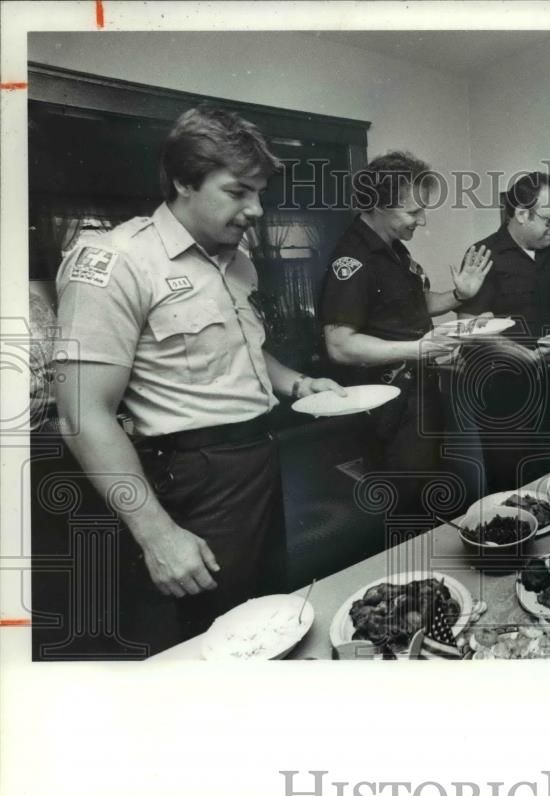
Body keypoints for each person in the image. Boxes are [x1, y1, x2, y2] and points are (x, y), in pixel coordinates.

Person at [54, 104, 346, 652]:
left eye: (259, 193)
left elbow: (244, 355)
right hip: (189, 478)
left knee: (268, 622)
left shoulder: (236, 262)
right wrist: (156, 532)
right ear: (184, 181)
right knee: (205, 643)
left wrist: (298, 385)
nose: (256, 210)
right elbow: (79, 414)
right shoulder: (114, 260)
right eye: (238, 192)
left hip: (259, 458)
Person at [320, 151, 493, 514]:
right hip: (390, 409)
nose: (423, 221)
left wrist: (459, 295)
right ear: (379, 205)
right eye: (413, 212)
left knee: (429, 492)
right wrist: (417, 350)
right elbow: (340, 345)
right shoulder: (353, 259)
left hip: (420, 394)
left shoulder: (395, 251)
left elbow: (412, 306)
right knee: (407, 505)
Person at [454, 172, 550, 492]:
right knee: (511, 491)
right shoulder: (483, 255)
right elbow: (468, 326)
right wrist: (524, 356)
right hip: (505, 403)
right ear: (521, 213)